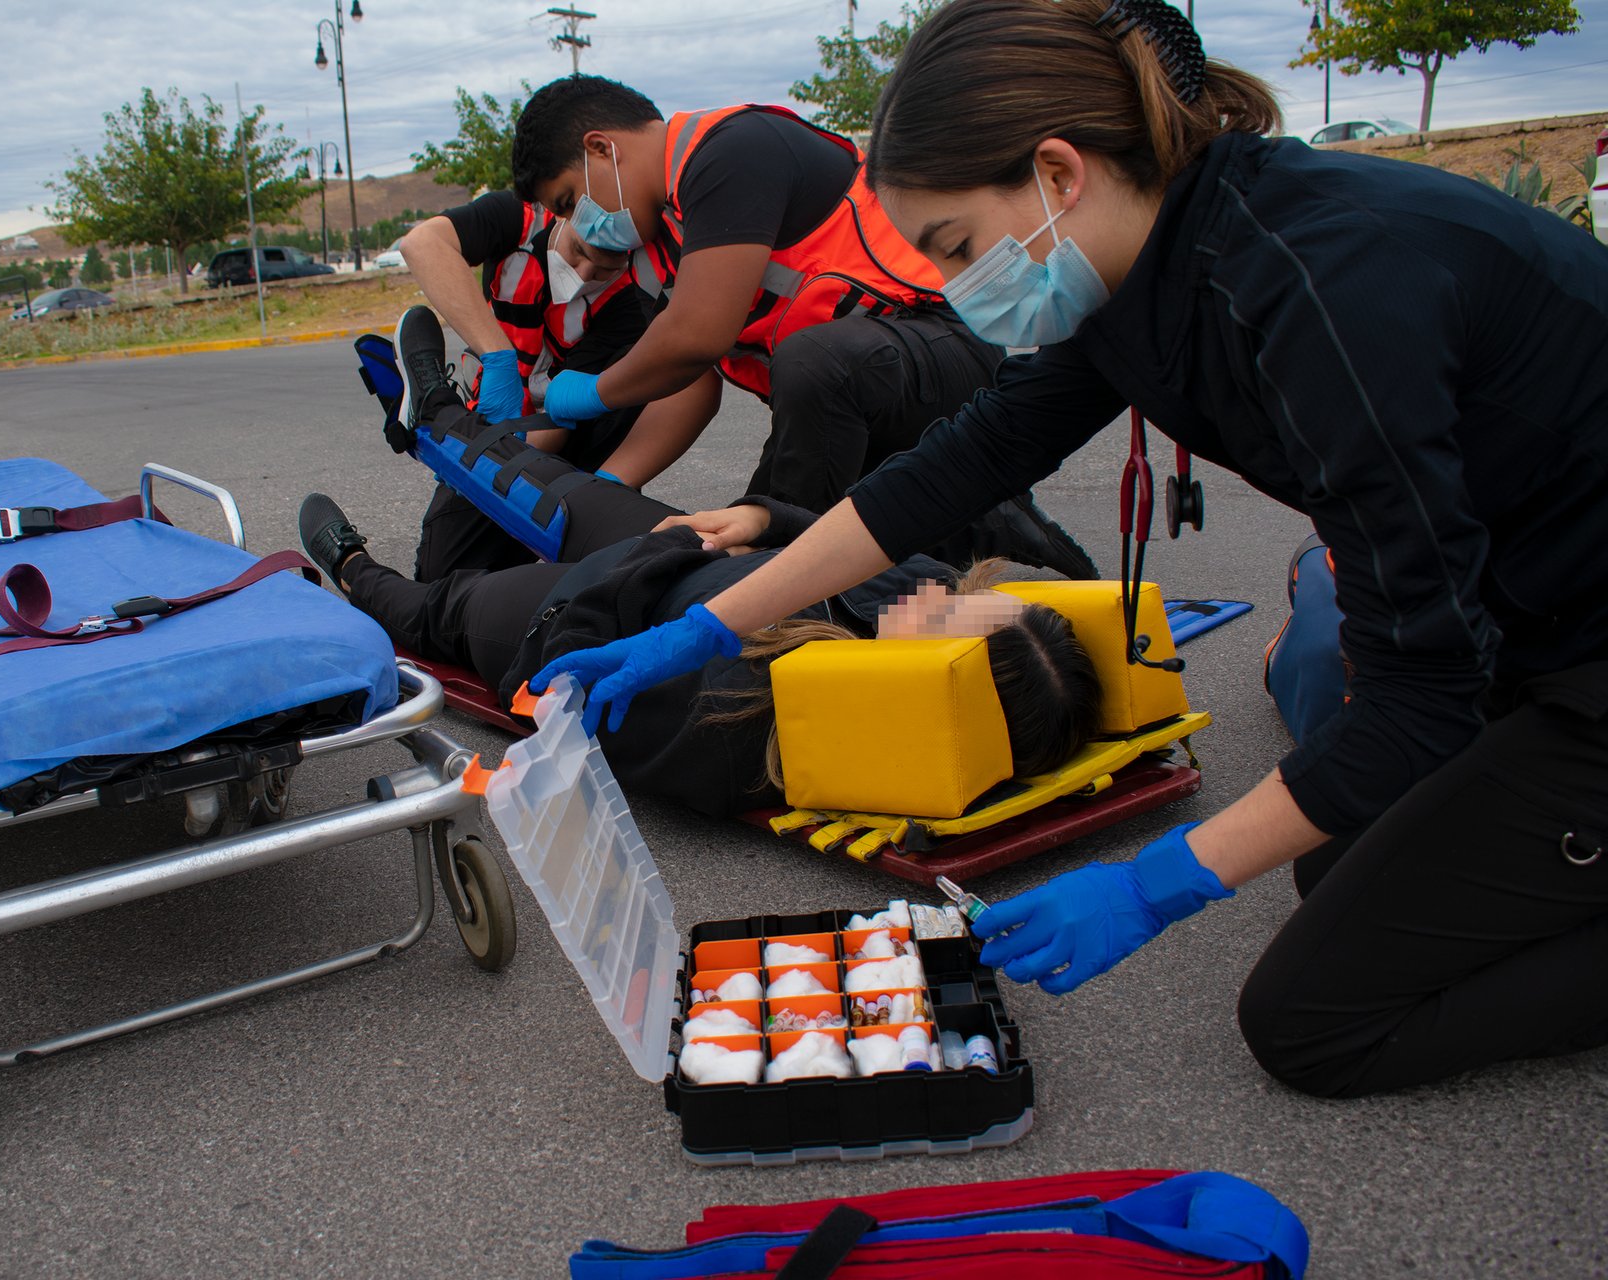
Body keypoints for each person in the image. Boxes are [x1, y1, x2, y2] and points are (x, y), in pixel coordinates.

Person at [527, 0, 1608, 1099]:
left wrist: (1155, 883)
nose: (954, 287)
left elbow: (1421, 694)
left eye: (955, 244)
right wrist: (709, 623)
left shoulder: (1321, 282)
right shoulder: (1147, 267)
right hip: (1532, 615)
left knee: (1314, 1020)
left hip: (1580, 656)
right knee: (1331, 857)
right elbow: (951, 469)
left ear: (1058, 172)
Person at [303, 313, 1104, 817]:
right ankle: (437, 416)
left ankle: (354, 571)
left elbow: (576, 689)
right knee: (550, 488)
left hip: (588, 615)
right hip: (682, 555)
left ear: (924, 684)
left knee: (445, 603)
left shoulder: (746, 724)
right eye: (962, 596)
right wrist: (763, 517)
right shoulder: (917, 601)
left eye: (944, 614)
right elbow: (838, 534)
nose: (938, 593)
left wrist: (661, 556)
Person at [508, 75, 1096, 579]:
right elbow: (687, 383)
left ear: (600, 148)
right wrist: (610, 483)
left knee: (771, 520)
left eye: (567, 200)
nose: (575, 226)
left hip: (946, 349)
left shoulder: (731, 149)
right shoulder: (655, 249)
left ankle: (771, 574)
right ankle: (987, 527)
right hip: (857, 397)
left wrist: (591, 391)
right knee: (868, 544)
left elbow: (695, 338)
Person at [398, 190, 720, 580]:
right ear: (564, 213)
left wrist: (496, 458)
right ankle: (456, 440)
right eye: (579, 252)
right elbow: (422, 244)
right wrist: (497, 355)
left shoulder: (631, 297)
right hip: (494, 413)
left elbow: (553, 430)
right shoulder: (516, 218)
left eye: (603, 268)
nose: (583, 274)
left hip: (558, 432)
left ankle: (598, 507)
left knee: (681, 372)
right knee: (440, 577)